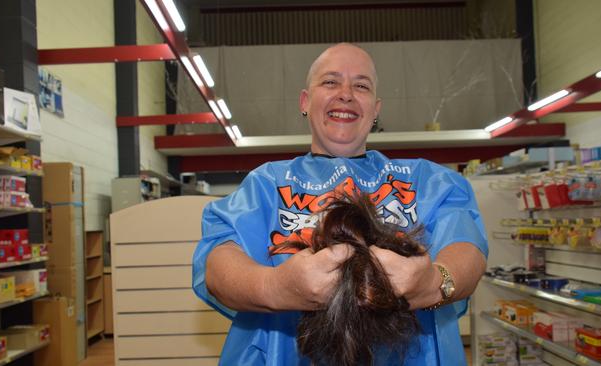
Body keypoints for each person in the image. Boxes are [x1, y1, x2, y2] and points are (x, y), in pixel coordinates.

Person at [193, 43, 488, 365]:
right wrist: (275, 286)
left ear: (375, 109)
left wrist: (433, 282)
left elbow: (467, 249)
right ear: (306, 101)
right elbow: (219, 263)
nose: (345, 94)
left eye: (361, 85)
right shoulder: (265, 184)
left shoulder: (428, 180)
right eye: (330, 82)